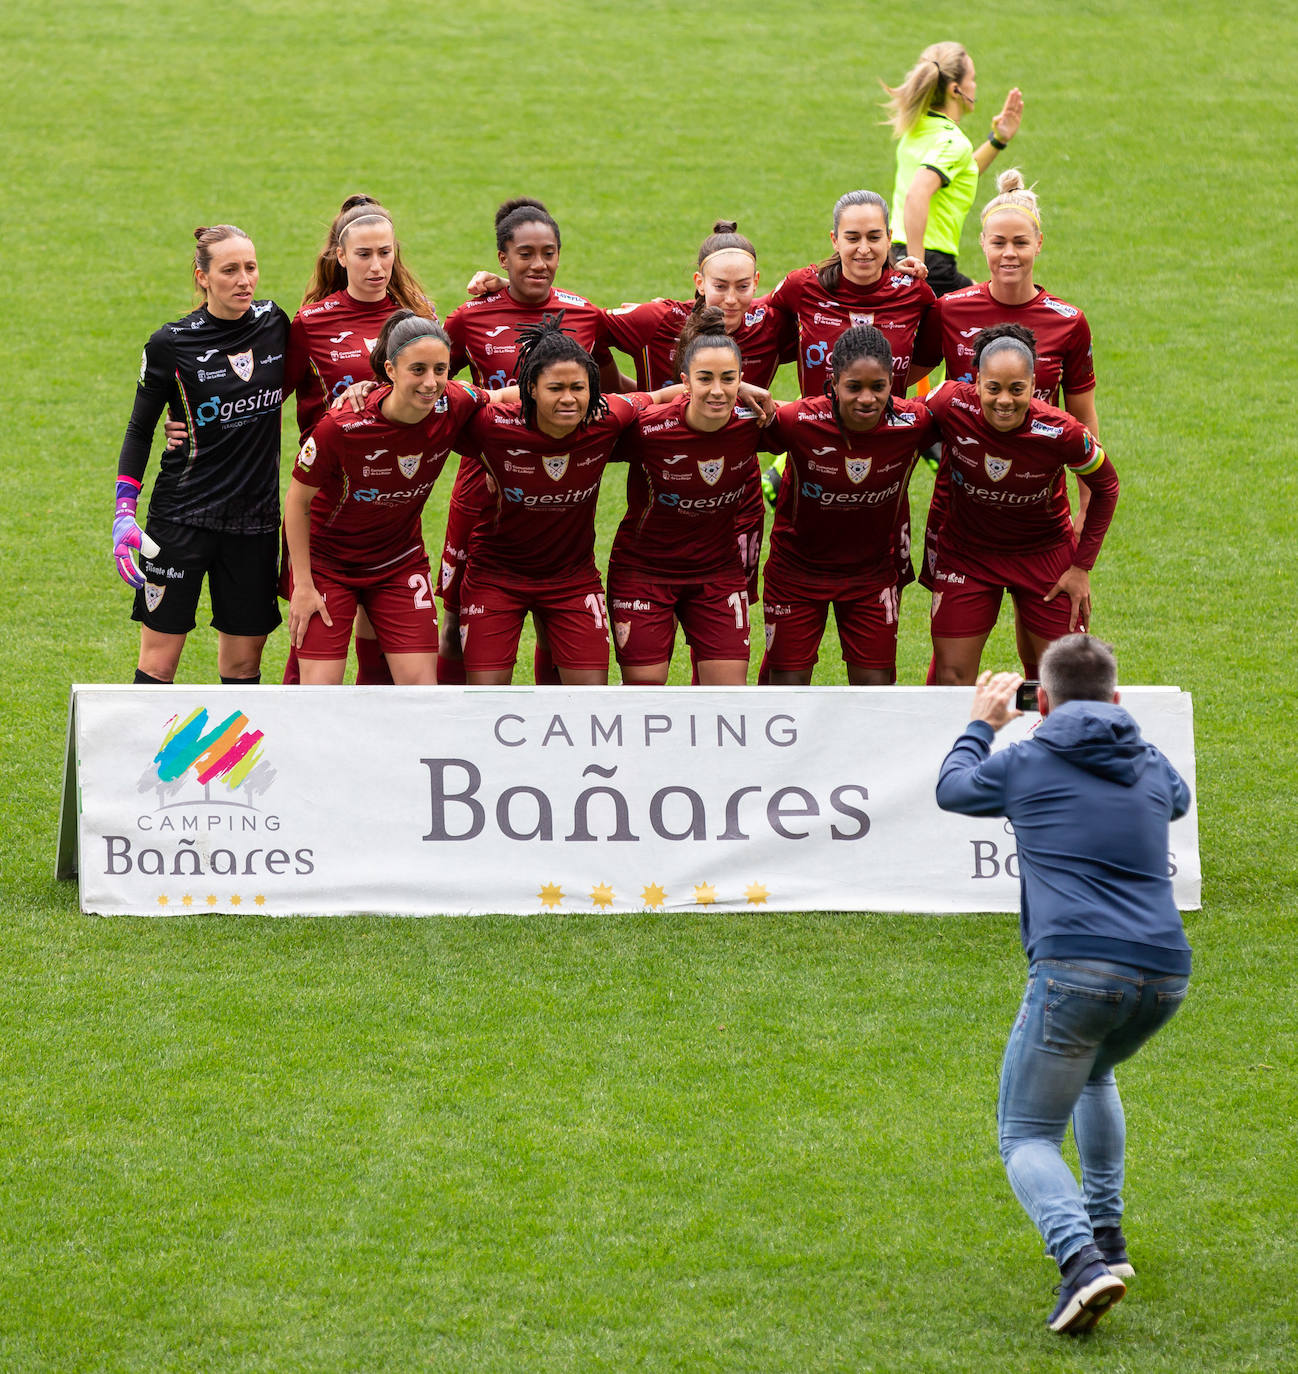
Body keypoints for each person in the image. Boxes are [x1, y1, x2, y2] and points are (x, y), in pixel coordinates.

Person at [935, 634, 1192, 1334]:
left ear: (1038, 701)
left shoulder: (1026, 758)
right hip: (1165, 974)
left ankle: (1081, 1261)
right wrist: (1122, 729)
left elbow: (953, 790)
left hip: (1078, 970)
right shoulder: (1141, 757)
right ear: (1116, 699)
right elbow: (1178, 800)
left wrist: (982, 725)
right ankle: (1108, 1237)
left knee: (1025, 1134)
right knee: (1092, 1076)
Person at [913, 168, 1100, 677]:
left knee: (1054, 674)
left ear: (1039, 243)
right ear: (982, 244)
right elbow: (905, 381)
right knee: (950, 675)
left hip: (1041, 523)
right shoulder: (949, 310)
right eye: (999, 243)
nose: (1009, 253)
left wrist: (1084, 521)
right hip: (962, 518)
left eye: (1021, 242)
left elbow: (1083, 418)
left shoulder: (1068, 321)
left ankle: (1048, 757)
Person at [436, 198, 619, 685]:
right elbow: (434, 385)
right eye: (526, 254)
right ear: (503, 258)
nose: (539, 264)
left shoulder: (585, 315)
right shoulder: (469, 318)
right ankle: (456, 727)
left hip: (559, 485)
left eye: (549, 253)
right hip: (482, 485)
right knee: (454, 623)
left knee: (557, 625)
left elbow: (611, 391)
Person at [456, 316, 681, 685]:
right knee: (487, 701)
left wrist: (745, 389)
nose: (568, 398)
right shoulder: (491, 424)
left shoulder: (607, 417)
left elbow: (661, 396)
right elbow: (428, 405)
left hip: (571, 580)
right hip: (495, 578)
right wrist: (370, 390)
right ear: (530, 388)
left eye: (578, 387)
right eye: (555, 387)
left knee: (589, 702)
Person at [113, 224, 288, 685]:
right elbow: (139, 429)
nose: (244, 280)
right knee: (158, 661)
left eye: (250, 268)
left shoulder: (276, 324)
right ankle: (146, 759)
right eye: (229, 270)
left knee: (245, 664)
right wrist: (123, 510)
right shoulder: (170, 343)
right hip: (181, 519)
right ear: (202, 277)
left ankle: (237, 762)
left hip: (255, 524)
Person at [283, 195, 437, 686]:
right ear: (339, 256)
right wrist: (187, 424)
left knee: (383, 663)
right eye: (365, 254)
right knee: (313, 666)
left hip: (390, 512)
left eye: (385, 253)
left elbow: (451, 387)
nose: (377, 266)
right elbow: (266, 397)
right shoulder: (310, 323)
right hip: (326, 507)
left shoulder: (417, 316)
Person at [283, 312, 485, 685]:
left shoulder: (453, 402)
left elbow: (505, 396)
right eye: (418, 370)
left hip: (398, 562)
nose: (431, 382)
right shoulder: (342, 425)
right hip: (329, 564)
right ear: (390, 370)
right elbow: (297, 503)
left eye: (441, 369)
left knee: (421, 693)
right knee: (319, 692)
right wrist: (304, 587)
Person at [925, 325, 1119, 685]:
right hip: (968, 553)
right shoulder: (947, 403)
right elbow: (902, 430)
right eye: (993, 388)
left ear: (1033, 386)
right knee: (951, 678)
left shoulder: (1063, 432)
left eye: (1017, 389)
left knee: (1063, 680)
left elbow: (1107, 485)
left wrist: (1082, 567)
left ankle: (1045, 739)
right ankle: (956, 743)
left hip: (1043, 553)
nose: (1004, 400)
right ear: (977, 381)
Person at [607, 307, 774, 686]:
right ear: (685, 382)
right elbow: (580, 430)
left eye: (728, 379)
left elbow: (816, 421)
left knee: (727, 701)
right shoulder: (647, 428)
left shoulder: (756, 423)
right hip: (643, 573)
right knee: (644, 695)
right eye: (705, 379)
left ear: (742, 381)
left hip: (717, 574)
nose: (717, 391)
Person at [760, 326, 937, 684]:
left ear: (892, 383)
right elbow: (728, 426)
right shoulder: (797, 421)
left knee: (875, 691)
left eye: (879, 387)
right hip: (796, 573)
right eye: (854, 387)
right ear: (834, 383)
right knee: (787, 688)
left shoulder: (914, 423)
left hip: (871, 575)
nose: (867, 399)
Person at [882, 41, 1023, 297]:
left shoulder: (915, 130)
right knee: (990, 318)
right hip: (930, 263)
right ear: (956, 89)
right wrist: (917, 268)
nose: (976, 85)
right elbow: (917, 193)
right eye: (973, 78)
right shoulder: (952, 141)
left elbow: (961, 172)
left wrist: (997, 140)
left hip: (894, 256)